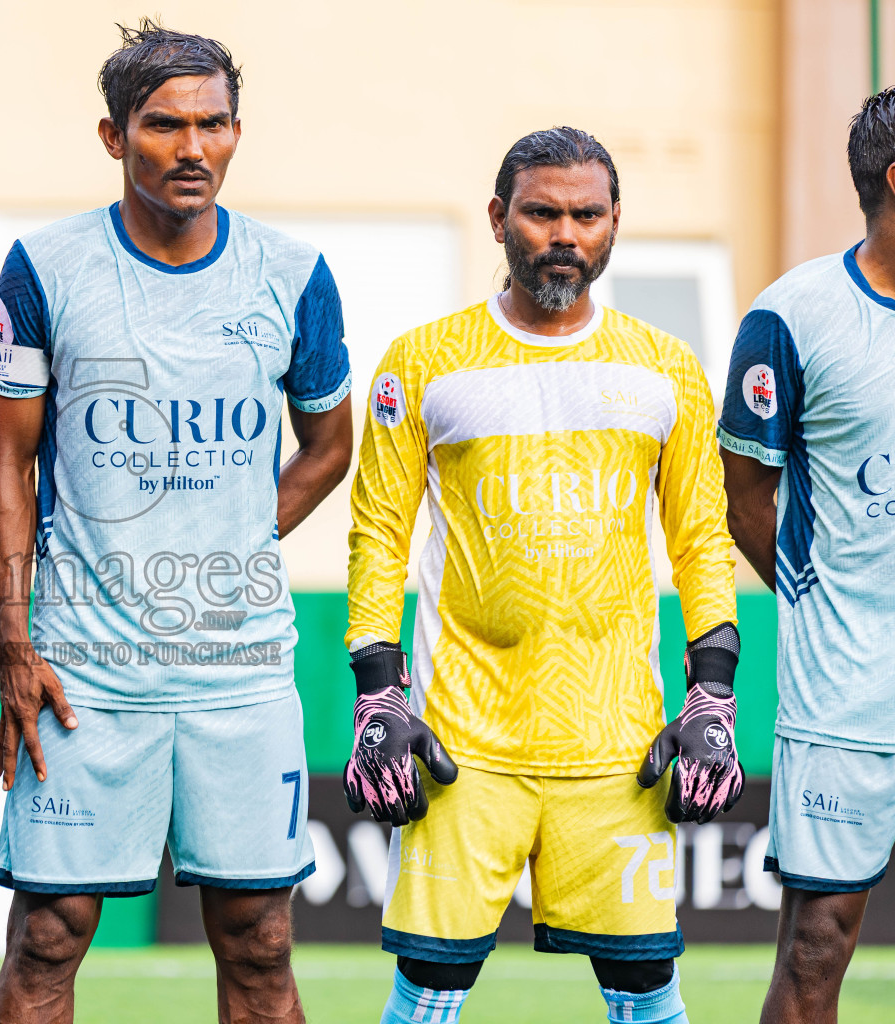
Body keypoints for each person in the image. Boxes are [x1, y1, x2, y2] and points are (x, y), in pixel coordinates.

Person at [0, 19, 353, 1024]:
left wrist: (239, 537)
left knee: (262, 942)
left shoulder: (294, 274)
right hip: (84, 667)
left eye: (214, 124)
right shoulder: (41, 269)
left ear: (238, 132)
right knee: (49, 933)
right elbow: (7, 463)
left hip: (241, 671)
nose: (192, 149)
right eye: (163, 125)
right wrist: (14, 639)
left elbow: (328, 448)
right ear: (113, 136)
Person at [345, 127, 742, 1024]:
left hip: (618, 747)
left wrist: (712, 698)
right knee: (430, 989)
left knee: (645, 989)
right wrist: (378, 695)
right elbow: (377, 537)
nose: (566, 234)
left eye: (587, 215)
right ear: (498, 220)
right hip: (462, 745)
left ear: (612, 226)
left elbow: (702, 543)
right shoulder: (422, 362)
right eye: (543, 213)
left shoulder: (667, 367)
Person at [719, 87, 895, 1024]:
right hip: (849, 690)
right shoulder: (794, 315)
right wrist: (819, 602)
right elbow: (746, 495)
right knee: (819, 942)